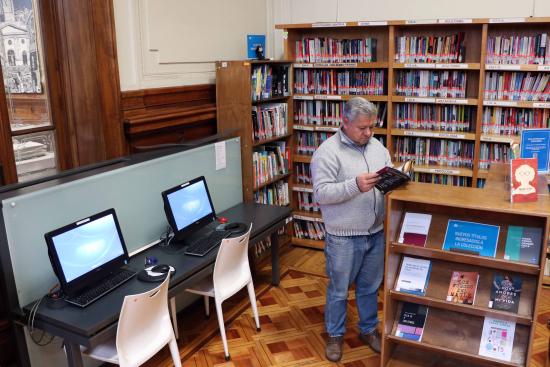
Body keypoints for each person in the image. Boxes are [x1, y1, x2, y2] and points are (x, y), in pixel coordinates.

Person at [311, 97, 391, 362]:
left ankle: (368, 329)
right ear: (344, 123)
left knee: (370, 288)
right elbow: (321, 194)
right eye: (362, 128)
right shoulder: (327, 152)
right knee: (338, 290)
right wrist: (354, 185)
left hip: (375, 232)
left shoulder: (377, 147)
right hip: (343, 237)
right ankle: (335, 336)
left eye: (371, 127)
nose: (368, 133)